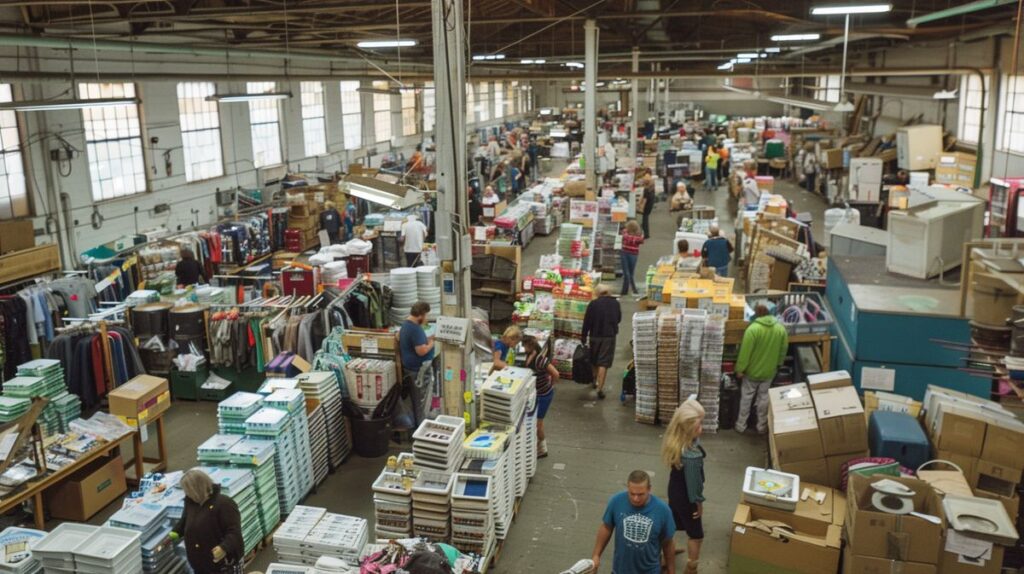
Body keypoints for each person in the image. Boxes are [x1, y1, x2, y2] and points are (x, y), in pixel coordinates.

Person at [592, 470, 676, 574]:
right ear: (628, 488)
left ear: (649, 489)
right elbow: (606, 527)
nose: (636, 499)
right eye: (632, 494)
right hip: (620, 570)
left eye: (641, 494)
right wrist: (596, 555)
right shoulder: (616, 501)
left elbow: (668, 543)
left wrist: (671, 571)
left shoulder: (663, 510)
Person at [661, 400, 707, 574]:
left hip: (674, 490)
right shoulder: (692, 456)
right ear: (688, 429)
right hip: (688, 497)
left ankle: (667, 555)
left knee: (672, 524)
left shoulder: (674, 440)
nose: (701, 428)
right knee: (696, 535)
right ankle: (691, 568)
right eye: (698, 425)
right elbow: (695, 486)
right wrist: (698, 503)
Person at [171, 469, 243, 574]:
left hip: (222, 566)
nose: (186, 493)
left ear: (196, 488)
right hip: (200, 565)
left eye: (187, 490)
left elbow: (234, 531)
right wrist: (175, 532)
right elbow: (185, 520)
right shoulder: (191, 502)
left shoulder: (224, 504)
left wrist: (224, 548)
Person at [734, 303, 789, 434]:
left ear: (757, 313)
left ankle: (741, 425)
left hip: (752, 373)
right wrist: (778, 364)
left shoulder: (753, 330)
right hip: (769, 372)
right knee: (764, 399)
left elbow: (745, 353)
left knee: (746, 398)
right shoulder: (780, 329)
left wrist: (740, 370)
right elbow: (783, 350)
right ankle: (761, 426)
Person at [399, 302, 436, 426]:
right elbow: (421, 351)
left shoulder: (405, 325)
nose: (426, 319)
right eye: (425, 316)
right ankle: (422, 429)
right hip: (418, 372)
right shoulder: (415, 329)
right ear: (420, 315)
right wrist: (433, 342)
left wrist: (427, 339)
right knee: (421, 403)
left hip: (411, 370)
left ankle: (419, 426)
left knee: (416, 401)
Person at [582, 284, 622, 400]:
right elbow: (619, 319)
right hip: (608, 336)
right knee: (603, 362)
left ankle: (594, 380)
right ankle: (600, 388)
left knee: (594, 359)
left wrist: (584, 336)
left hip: (594, 335)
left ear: (598, 293)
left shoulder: (593, 304)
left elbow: (587, 321)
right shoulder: (615, 303)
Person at [523, 335, 559, 458]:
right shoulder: (528, 356)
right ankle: (537, 445)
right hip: (536, 394)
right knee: (534, 422)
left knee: (539, 423)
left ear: (530, 346)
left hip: (544, 395)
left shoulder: (540, 360)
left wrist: (551, 385)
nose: (523, 348)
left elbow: (555, 373)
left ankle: (543, 448)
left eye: (524, 346)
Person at [620, 220, 644, 298]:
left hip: (625, 253)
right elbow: (639, 240)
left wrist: (632, 239)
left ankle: (626, 290)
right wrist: (635, 238)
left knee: (628, 273)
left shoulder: (625, 233)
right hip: (633, 254)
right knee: (629, 273)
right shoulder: (639, 235)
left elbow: (627, 238)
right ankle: (632, 289)